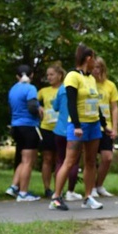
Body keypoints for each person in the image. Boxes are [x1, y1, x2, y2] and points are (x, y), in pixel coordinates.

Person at [49, 44, 107, 211]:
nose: (95, 62)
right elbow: (71, 103)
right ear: (88, 59)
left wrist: (104, 125)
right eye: (94, 59)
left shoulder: (91, 79)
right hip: (78, 125)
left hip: (94, 124)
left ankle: (88, 197)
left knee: (90, 161)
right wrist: (76, 125)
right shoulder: (72, 76)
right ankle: (56, 197)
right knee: (69, 161)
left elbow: (95, 104)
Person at [7, 64, 41, 202]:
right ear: (31, 75)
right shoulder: (30, 88)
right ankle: (23, 193)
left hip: (16, 126)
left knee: (24, 159)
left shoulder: (13, 89)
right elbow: (32, 106)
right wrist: (40, 112)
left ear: (17, 76)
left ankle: (14, 187)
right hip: (29, 126)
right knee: (28, 161)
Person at [51, 65, 83, 202]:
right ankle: (70, 191)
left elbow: (55, 107)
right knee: (73, 162)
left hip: (59, 129)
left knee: (60, 161)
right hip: (73, 128)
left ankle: (58, 191)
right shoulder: (80, 87)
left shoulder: (61, 89)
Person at [91, 56, 118, 197]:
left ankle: (99, 185)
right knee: (89, 158)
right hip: (91, 125)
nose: (95, 70)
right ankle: (89, 188)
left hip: (106, 128)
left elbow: (114, 108)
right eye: (93, 67)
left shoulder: (110, 85)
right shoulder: (87, 83)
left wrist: (115, 128)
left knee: (107, 157)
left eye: (97, 67)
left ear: (102, 68)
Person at [38, 64, 64, 198]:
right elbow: (31, 101)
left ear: (59, 75)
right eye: (47, 75)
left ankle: (58, 189)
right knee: (47, 158)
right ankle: (47, 188)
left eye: (51, 74)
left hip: (62, 128)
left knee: (60, 159)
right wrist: (38, 107)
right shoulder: (43, 91)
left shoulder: (65, 89)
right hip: (47, 128)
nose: (49, 77)